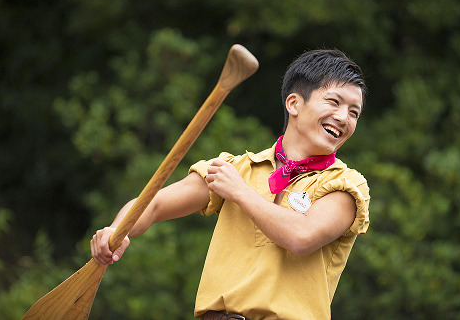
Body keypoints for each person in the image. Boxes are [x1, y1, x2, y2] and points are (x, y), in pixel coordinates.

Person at [91, 49, 370, 320]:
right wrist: (117, 230)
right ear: (294, 103)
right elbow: (154, 204)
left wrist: (240, 192)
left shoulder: (346, 184)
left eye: (354, 112)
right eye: (334, 102)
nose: (344, 117)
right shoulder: (236, 168)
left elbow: (302, 237)